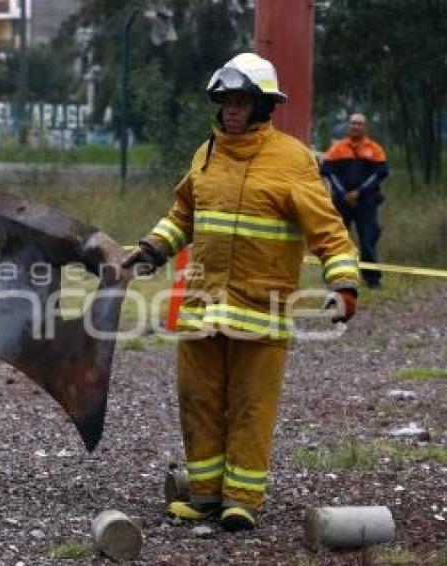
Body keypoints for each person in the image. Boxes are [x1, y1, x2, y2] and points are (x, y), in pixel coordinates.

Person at [122, 53, 360, 532]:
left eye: (240, 101)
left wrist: (344, 281)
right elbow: (182, 215)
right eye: (225, 100)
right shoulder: (206, 153)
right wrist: (152, 249)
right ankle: (206, 497)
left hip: (261, 311)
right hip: (201, 310)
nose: (230, 109)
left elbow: (327, 229)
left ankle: (242, 501)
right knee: (199, 402)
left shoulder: (291, 159)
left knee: (251, 408)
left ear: (263, 105)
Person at [321, 113, 389, 289]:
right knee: (338, 240)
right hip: (342, 202)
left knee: (368, 241)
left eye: (359, 124)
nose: (355, 126)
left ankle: (373, 280)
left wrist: (358, 192)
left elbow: (379, 175)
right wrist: (344, 193)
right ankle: (338, 277)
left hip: (367, 203)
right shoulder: (337, 149)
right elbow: (328, 172)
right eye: (352, 123)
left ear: (365, 127)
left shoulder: (375, 149)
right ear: (348, 126)